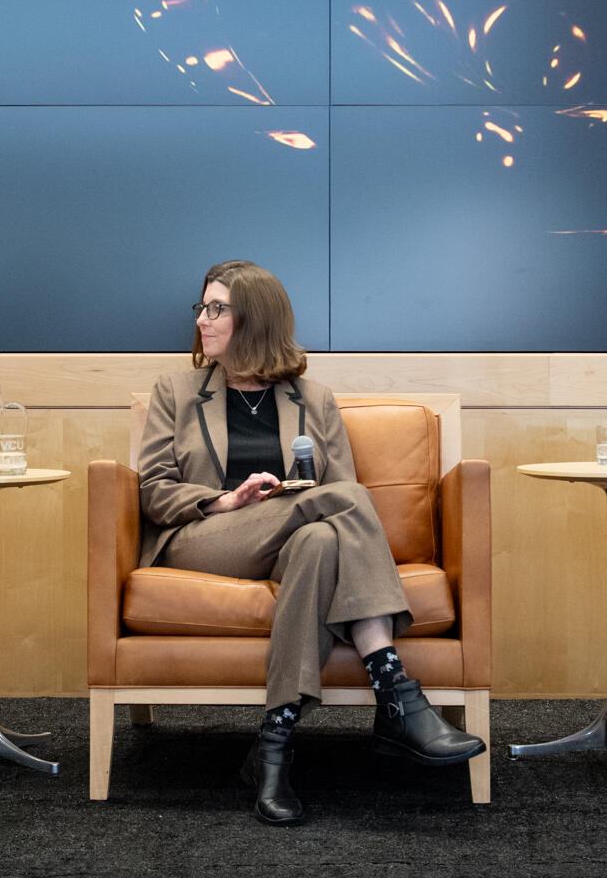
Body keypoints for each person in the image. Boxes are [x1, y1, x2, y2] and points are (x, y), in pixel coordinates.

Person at [137, 259, 484, 826]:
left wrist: (295, 502)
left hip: (292, 545)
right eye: (201, 307)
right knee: (343, 502)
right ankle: (397, 695)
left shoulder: (312, 399)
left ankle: (272, 749)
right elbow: (154, 491)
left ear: (255, 318)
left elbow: (336, 492)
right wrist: (228, 501)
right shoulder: (176, 391)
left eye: (217, 307)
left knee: (323, 537)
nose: (203, 319)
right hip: (204, 539)